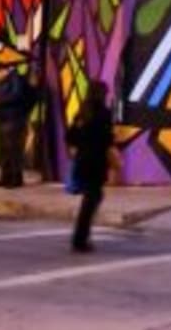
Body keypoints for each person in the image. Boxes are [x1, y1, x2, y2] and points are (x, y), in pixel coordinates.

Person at [67, 80, 114, 253]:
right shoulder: (103, 114)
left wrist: (78, 147)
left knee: (91, 198)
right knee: (92, 199)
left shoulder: (82, 113)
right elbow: (107, 139)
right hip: (96, 162)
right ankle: (80, 239)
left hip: (83, 161)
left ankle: (80, 237)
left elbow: (70, 136)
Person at [0, 63, 35, 189]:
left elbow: (16, 95)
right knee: (4, 150)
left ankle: (16, 178)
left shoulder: (15, 79)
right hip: (3, 118)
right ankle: (5, 177)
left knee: (13, 150)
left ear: (5, 70)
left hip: (13, 118)